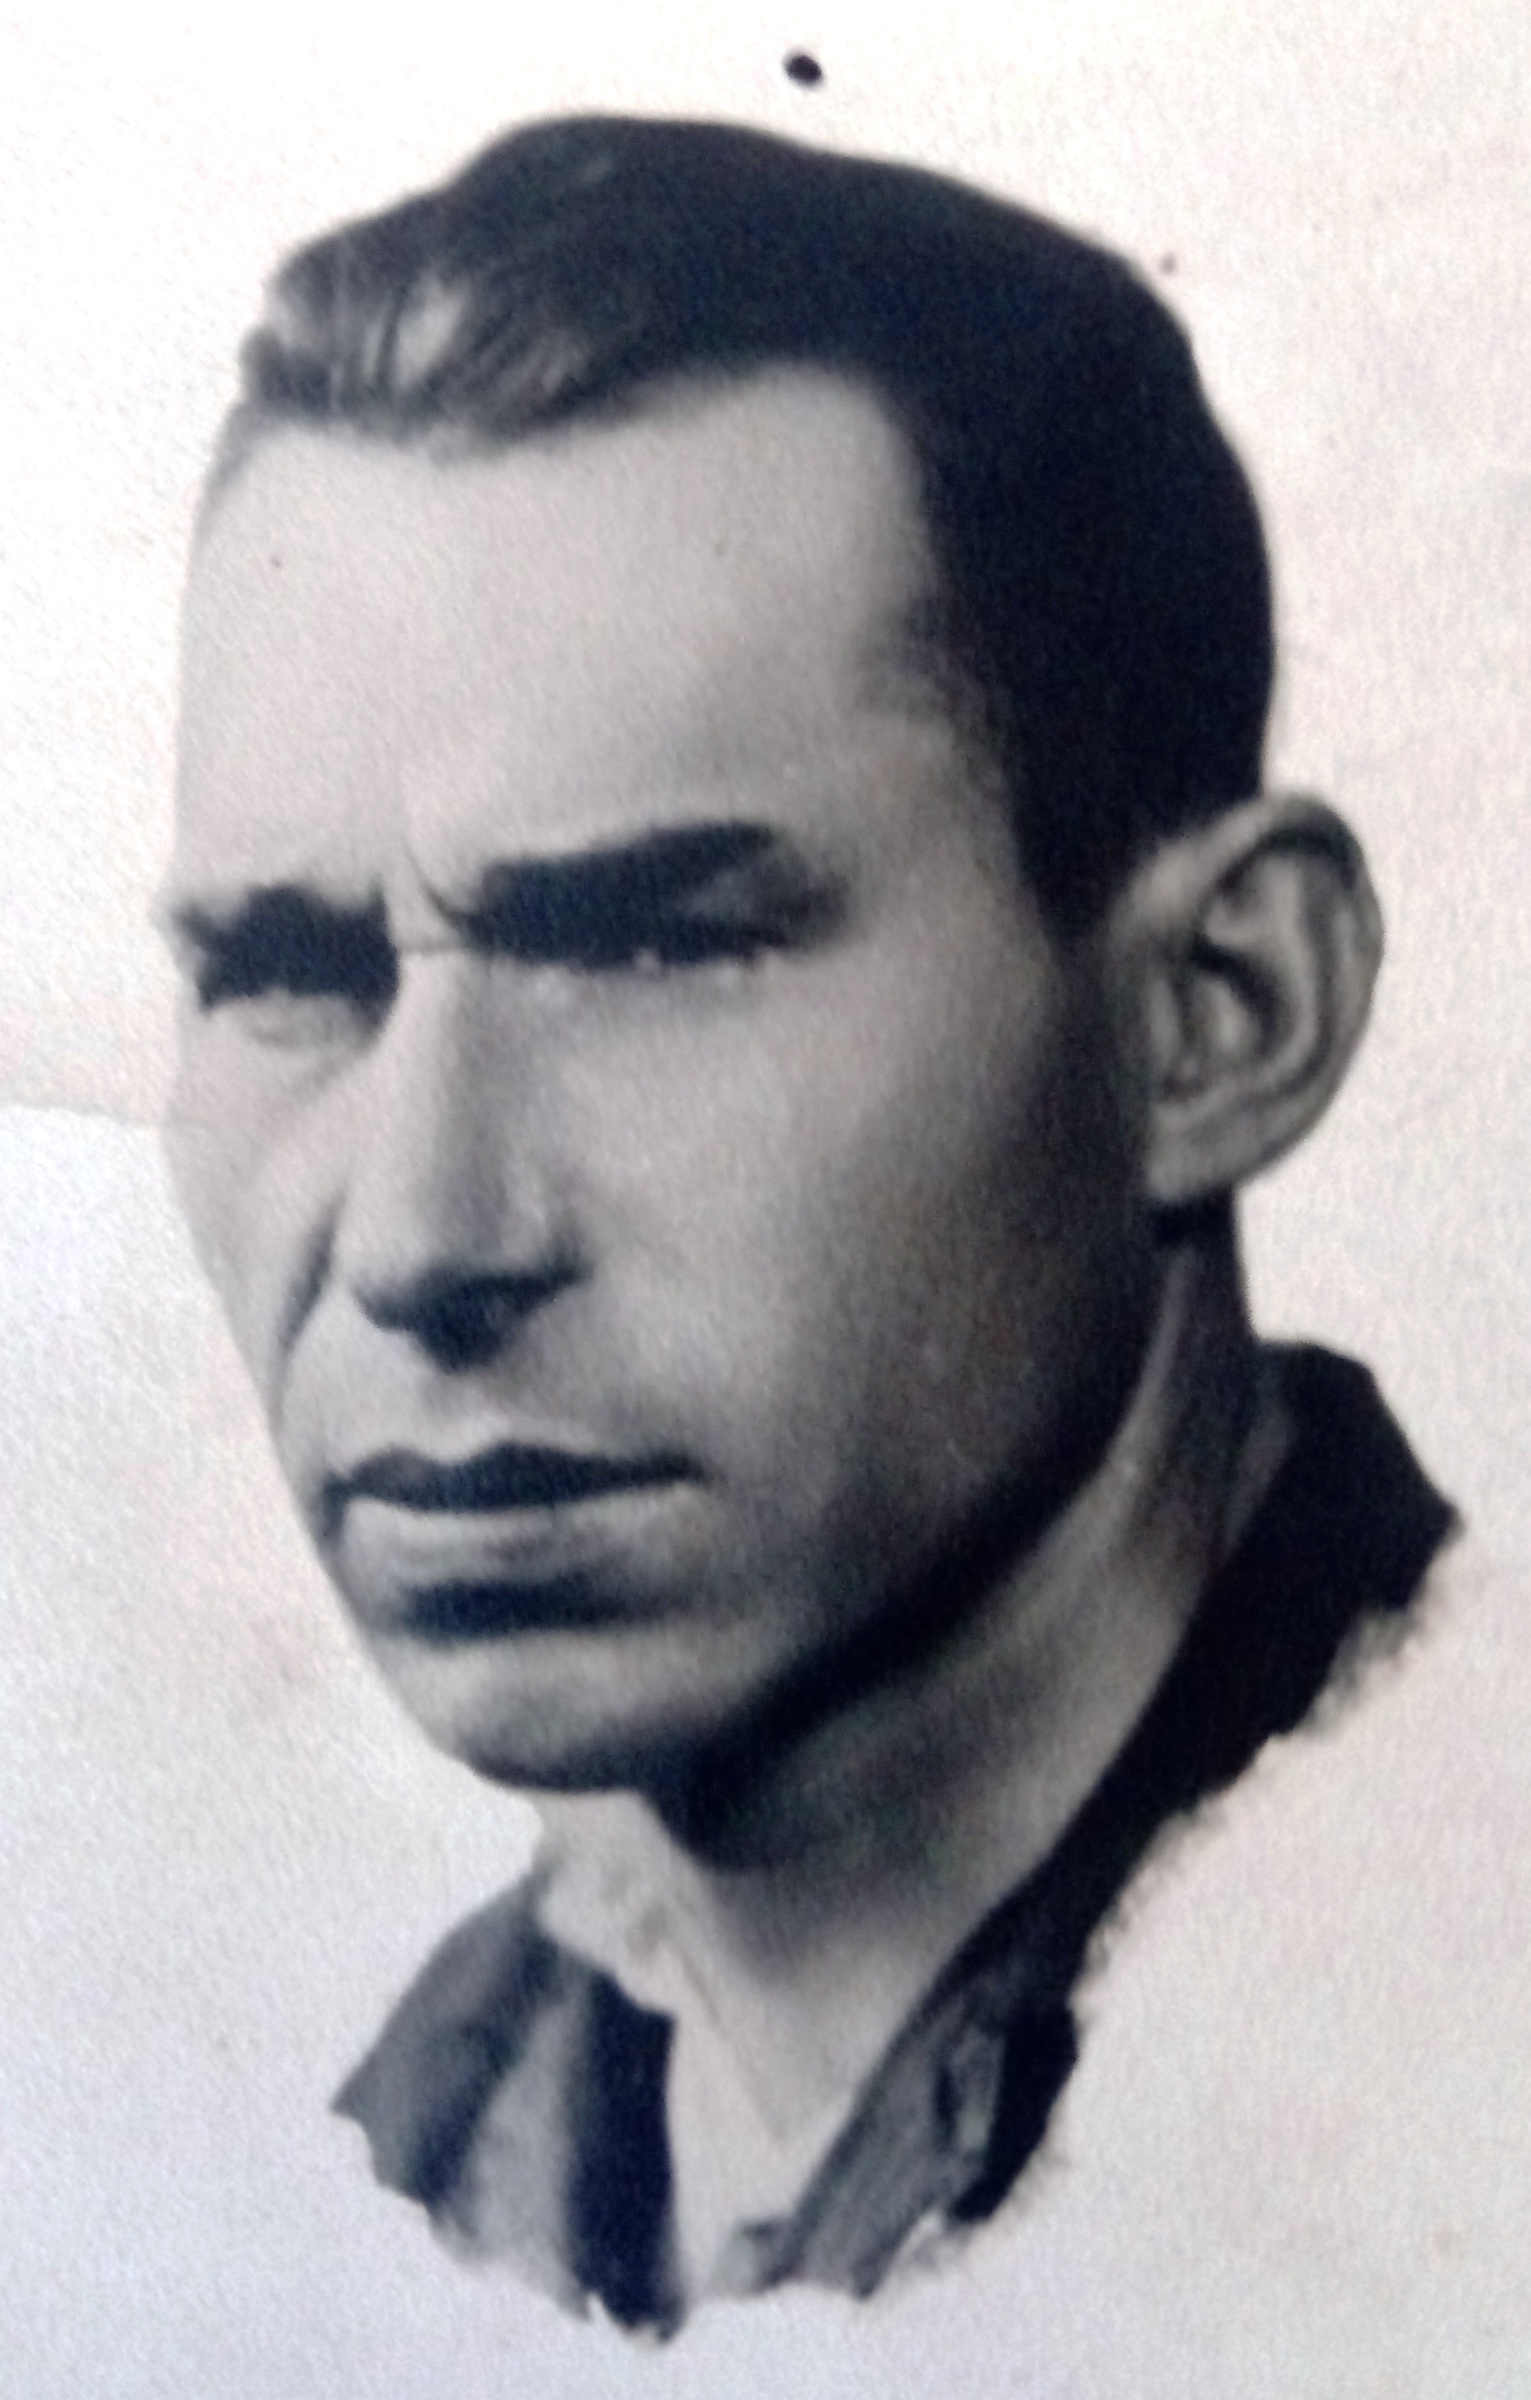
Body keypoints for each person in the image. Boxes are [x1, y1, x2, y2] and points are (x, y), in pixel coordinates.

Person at [160, 114, 1454, 2333]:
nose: (418, 1238)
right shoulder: (414, 2156)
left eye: (655, 947)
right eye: (290, 976)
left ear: (1216, 1018)